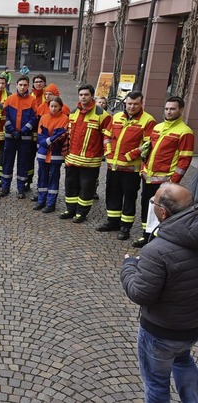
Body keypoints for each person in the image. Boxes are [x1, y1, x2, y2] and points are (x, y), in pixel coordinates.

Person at [121, 183, 198, 403]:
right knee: (182, 360)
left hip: (161, 331)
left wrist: (129, 266)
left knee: (156, 384)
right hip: (191, 327)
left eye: (153, 202)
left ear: (163, 212)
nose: (152, 205)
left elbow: (140, 293)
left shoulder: (157, 250)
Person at [132, 96, 194, 247]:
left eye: (172, 109)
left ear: (181, 110)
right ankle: (146, 234)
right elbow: (148, 150)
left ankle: (158, 237)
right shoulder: (158, 127)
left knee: (163, 210)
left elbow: (184, 160)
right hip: (148, 177)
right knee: (147, 206)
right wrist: (143, 169)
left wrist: (174, 181)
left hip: (165, 180)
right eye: (166, 109)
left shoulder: (185, 132)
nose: (168, 112)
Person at [96, 91, 156, 241]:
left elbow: (148, 145)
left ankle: (125, 227)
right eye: (129, 103)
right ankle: (112, 221)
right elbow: (107, 136)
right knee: (112, 193)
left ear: (141, 104)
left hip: (131, 169)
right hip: (113, 166)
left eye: (136, 104)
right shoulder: (116, 117)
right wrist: (108, 153)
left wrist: (130, 155)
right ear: (125, 103)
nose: (132, 107)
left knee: (129, 198)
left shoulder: (148, 120)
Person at [60, 84, 112, 223]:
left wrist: (106, 155)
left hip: (90, 161)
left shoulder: (103, 115)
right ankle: (70, 209)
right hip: (72, 159)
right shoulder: (73, 112)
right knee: (70, 185)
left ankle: (81, 213)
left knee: (86, 188)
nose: (83, 97)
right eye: (81, 95)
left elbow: (107, 138)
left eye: (86, 95)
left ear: (92, 96)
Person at [0, 75, 37, 199]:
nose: (22, 87)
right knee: (7, 162)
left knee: (23, 163)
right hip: (10, 137)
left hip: (24, 138)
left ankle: (21, 188)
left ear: (28, 86)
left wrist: (22, 131)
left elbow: (34, 118)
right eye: (20, 85)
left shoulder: (32, 100)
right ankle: (5, 187)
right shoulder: (9, 99)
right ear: (16, 85)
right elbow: (5, 117)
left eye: (25, 85)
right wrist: (12, 130)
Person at [34, 97, 69, 213]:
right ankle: (41, 200)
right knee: (42, 177)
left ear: (60, 107)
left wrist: (47, 141)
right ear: (48, 106)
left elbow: (60, 137)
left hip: (55, 155)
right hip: (43, 154)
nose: (53, 108)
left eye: (56, 106)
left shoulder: (64, 119)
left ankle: (51, 203)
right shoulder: (44, 117)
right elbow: (40, 136)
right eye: (51, 106)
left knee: (54, 179)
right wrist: (50, 140)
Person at [0, 74, 11, 185]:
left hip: (4, 131)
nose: (0, 85)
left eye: (3, 83)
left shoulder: (9, 96)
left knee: (2, 156)